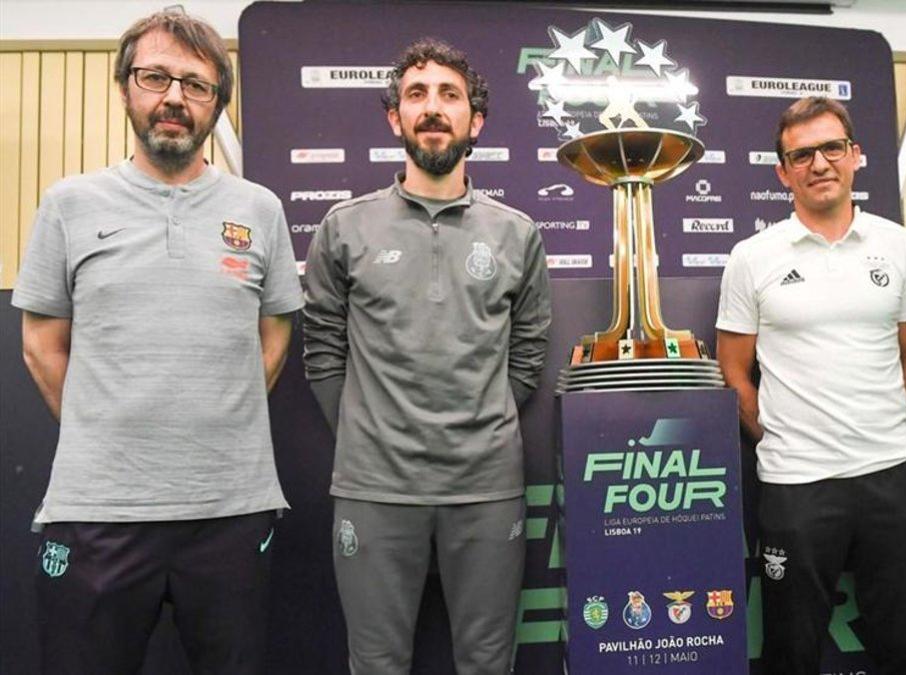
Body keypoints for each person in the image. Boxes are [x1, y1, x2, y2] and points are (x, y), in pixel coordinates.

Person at [12, 10, 302, 674]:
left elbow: (277, 334)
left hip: (232, 513)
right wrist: (107, 428)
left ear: (215, 104)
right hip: (97, 514)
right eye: (156, 77)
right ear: (125, 89)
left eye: (196, 84)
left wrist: (215, 421)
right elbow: (41, 344)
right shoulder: (68, 203)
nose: (175, 96)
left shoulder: (260, 210)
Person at [302, 38, 551, 675]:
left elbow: (527, 357)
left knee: (488, 663)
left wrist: (480, 420)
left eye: (449, 95)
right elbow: (323, 350)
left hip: (486, 487)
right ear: (395, 118)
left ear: (477, 121)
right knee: (377, 664)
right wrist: (368, 431)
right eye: (417, 95)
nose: (432, 108)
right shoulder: (343, 229)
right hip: (375, 489)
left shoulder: (518, 234)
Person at [716, 97, 906, 675]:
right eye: (802, 154)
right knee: (791, 652)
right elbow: (733, 370)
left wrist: (880, 427)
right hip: (796, 483)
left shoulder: (900, 245)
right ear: (783, 171)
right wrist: (781, 437)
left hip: (893, 473)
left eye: (832, 148)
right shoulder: (751, 257)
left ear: (855, 155)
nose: (819, 163)